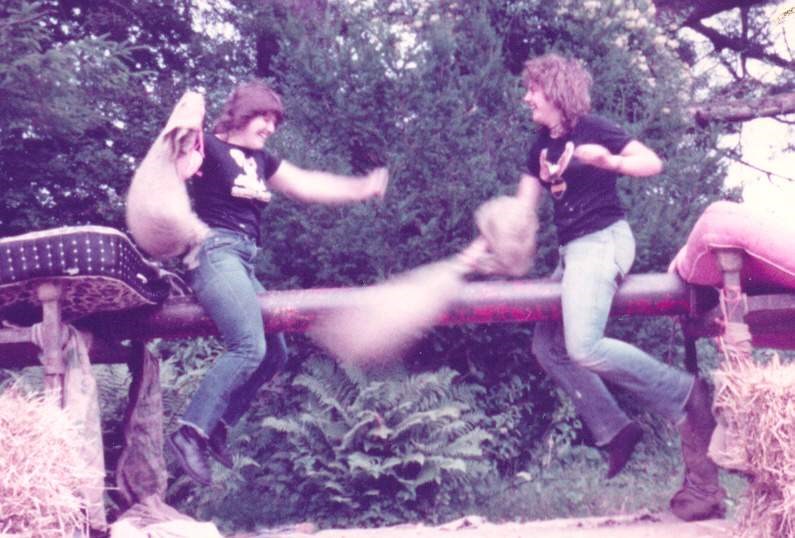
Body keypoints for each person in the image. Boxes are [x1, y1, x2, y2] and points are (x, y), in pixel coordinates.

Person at [513, 53, 725, 521]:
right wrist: (506, 233)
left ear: (556, 92)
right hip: (571, 255)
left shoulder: (593, 128)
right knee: (549, 347)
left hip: (605, 242)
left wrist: (610, 160)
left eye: (533, 89)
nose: (527, 96)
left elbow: (651, 162)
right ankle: (616, 430)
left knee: (582, 346)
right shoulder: (538, 147)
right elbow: (524, 204)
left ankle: (685, 392)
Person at [166, 81, 388, 486]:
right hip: (214, 252)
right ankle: (190, 432)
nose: (269, 127)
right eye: (263, 118)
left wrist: (361, 188)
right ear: (241, 114)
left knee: (276, 353)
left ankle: (218, 428)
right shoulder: (209, 148)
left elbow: (307, 184)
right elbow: (177, 170)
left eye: (274, 121)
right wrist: (188, 127)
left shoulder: (261, 160)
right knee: (248, 345)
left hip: (245, 259)